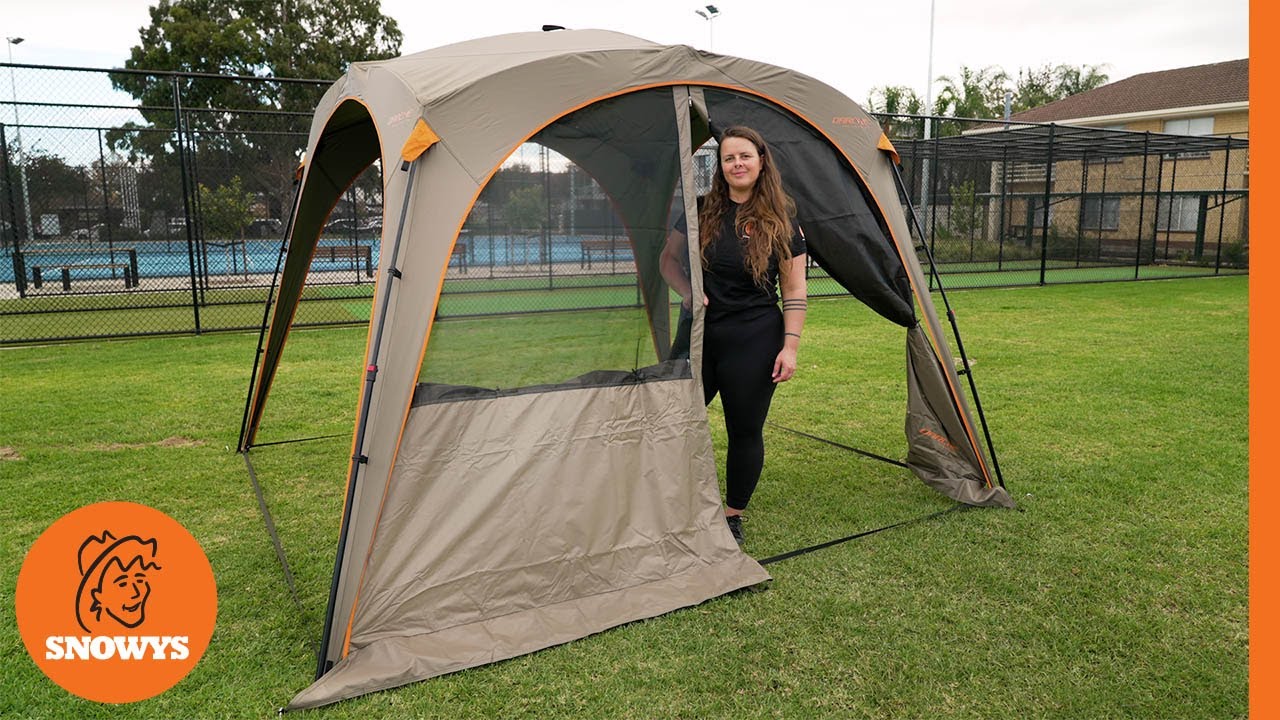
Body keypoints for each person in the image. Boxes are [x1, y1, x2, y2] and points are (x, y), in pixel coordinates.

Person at [660, 125, 807, 546]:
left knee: (744, 429)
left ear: (761, 162)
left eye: (745, 156)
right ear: (720, 166)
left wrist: (790, 347)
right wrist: (688, 292)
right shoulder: (700, 209)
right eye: (728, 158)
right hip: (699, 334)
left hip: (754, 339)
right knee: (673, 418)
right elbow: (667, 260)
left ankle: (732, 516)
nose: (737, 164)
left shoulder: (782, 220)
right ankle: (669, 500)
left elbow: (794, 289)